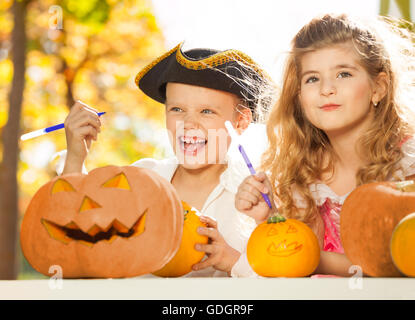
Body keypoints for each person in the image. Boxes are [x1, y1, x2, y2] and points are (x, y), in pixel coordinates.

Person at [60, 42, 273, 277]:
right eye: (177, 109)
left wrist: (231, 260)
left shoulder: (259, 198)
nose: (188, 123)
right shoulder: (138, 180)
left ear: (240, 122)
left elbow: (283, 283)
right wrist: (75, 157)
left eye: (206, 111)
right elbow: (75, 245)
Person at [232, 13, 415, 277]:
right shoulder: (305, 172)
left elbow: (393, 264)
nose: (326, 88)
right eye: (312, 78)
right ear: (299, 98)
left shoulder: (405, 164)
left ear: (379, 87)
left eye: (343, 73)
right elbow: (289, 263)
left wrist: (309, 259)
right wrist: (268, 218)